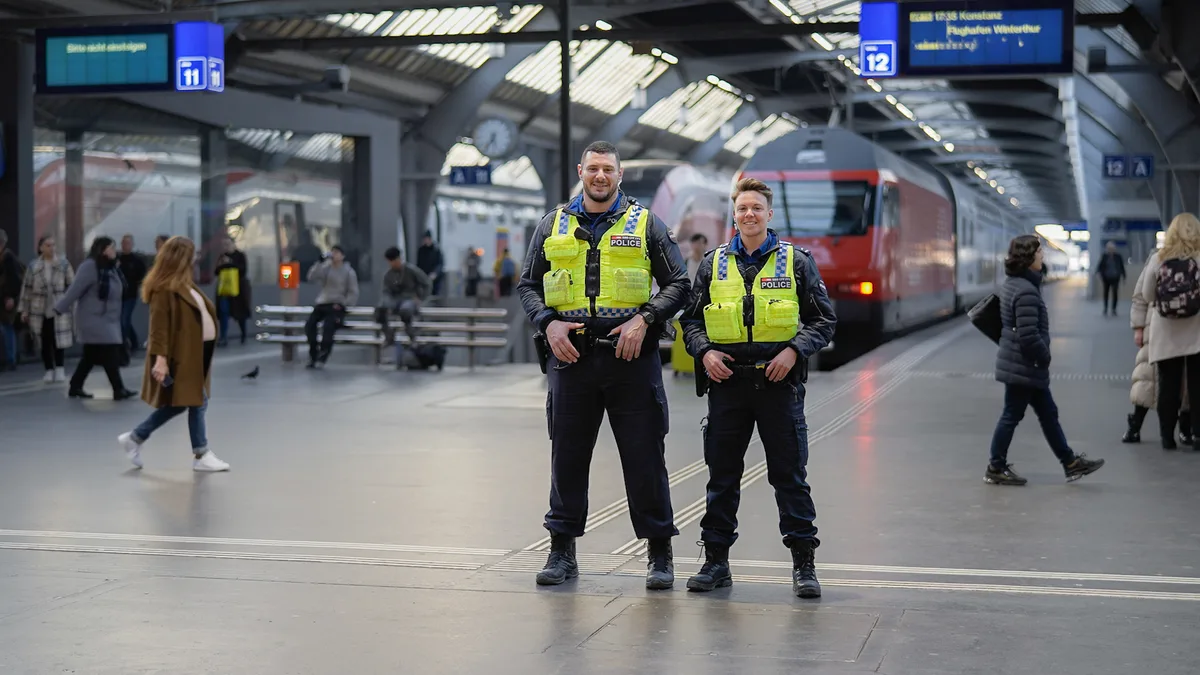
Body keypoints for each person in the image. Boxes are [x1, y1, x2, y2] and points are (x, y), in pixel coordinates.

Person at [519, 140, 691, 589]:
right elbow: (527, 285)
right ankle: (561, 552)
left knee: (644, 456)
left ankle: (659, 553)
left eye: (607, 170)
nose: (600, 176)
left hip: (630, 360)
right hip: (570, 358)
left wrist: (646, 318)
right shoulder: (552, 225)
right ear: (581, 170)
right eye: (593, 169)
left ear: (620, 175)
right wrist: (547, 324)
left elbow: (679, 284)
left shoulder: (647, 224)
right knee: (567, 458)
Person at [679, 178, 837, 598]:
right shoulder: (714, 264)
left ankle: (804, 565)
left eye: (757, 208)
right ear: (734, 214)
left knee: (789, 477)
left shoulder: (796, 263)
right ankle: (716, 563)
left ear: (770, 215)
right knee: (721, 477)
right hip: (727, 385)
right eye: (742, 208)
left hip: (778, 386)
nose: (749, 214)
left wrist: (794, 352)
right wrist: (705, 353)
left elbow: (824, 321)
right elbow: (690, 321)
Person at [988, 235, 1105, 485]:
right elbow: (1029, 335)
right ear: (1029, 258)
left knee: (1048, 413)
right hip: (1025, 365)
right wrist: (1045, 356)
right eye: (1040, 253)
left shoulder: (1013, 283)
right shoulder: (1026, 291)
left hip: (1021, 365)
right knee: (1012, 415)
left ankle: (1070, 463)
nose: (1043, 257)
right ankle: (995, 467)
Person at [118, 236, 229, 472]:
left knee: (181, 404)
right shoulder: (164, 289)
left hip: (195, 355)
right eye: (192, 255)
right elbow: (158, 328)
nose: (195, 259)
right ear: (181, 257)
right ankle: (201, 453)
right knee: (198, 400)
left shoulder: (184, 284)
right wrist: (161, 360)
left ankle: (134, 438)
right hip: (181, 357)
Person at [1130, 212, 1200, 449]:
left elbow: (1148, 294)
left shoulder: (1159, 258)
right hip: (1196, 330)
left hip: (1166, 331)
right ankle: (1197, 436)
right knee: (1196, 385)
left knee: (1168, 385)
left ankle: (1167, 437)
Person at [55, 237, 137, 400]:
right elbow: (75, 289)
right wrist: (60, 308)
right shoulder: (90, 266)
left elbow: (123, 287)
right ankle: (118, 389)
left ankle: (75, 386)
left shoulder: (110, 267)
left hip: (108, 318)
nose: (115, 251)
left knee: (91, 356)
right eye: (111, 248)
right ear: (102, 249)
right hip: (94, 319)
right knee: (110, 353)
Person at [18, 236, 74, 382]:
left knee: (58, 339)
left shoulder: (63, 264)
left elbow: (72, 285)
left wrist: (69, 303)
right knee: (44, 339)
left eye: (53, 245)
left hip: (58, 305)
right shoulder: (34, 266)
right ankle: (49, 369)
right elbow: (27, 288)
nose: (51, 248)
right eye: (48, 245)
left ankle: (60, 368)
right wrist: (24, 309)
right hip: (39, 307)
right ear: (41, 248)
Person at [374, 246, 430, 367]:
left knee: (406, 310)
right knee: (379, 310)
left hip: (409, 299)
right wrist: (386, 303)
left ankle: (412, 337)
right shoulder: (388, 275)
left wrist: (420, 299)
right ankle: (389, 336)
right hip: (395, 300)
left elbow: (426, 283)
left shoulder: (411, 271)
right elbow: (385, 291)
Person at [304, 245, 359, 368]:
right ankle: (313, 353)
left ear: (342, 256)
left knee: (329, 327)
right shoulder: (326, 268)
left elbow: (353, 292)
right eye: (333, 252)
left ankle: (323, 355)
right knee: (310, 325)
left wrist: (344, 304)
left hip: (337, 304)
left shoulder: (349, 272)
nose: (334, 255)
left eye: (337, 253)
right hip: (323, 302)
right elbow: (311, 277)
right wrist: (319, 263)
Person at [214, 237, 251, 346]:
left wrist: (229, 263)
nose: (226, 246)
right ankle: (223, 336)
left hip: (238, 289)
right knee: (223, 312)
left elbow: (243, 270)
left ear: (233, 244)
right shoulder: (222, 257)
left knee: (240, 314)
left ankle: (243, 334)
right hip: (224, 289)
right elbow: (216, 271)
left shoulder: (240, 256)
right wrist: (223, 264)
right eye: (224, 244)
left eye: (227, 244)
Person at [116, 234, 148, 364]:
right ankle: (134, 341)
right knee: (123, 320)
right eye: (124, 243)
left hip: (130, 295)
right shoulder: (117, 259)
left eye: (128, 243)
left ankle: (123, 348)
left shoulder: (136, 260)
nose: (125, 245)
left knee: (124, 320)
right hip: (118, 296)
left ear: (132, 244)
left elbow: (142, 275)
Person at [0, 230, 23, 371]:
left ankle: (11, 359)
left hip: (6, 299)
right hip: (3, 298)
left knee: (6, 327)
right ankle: (9, 358)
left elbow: (14, 280)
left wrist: (11, 297)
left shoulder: (8, 258)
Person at [1096, 241, 1126, 316]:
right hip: (1106, 278)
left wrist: (1124, 276)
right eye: (1109, 248)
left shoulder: (1118, 257)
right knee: (1106, 293)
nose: (1110, 250)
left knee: (1115, 293)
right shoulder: (1104, 256)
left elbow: (1121, 267)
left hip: (1116, 277)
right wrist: (1099, 273)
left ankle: (1114, 309)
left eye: (1112, 248)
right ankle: (1105, 308)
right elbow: (1100, 265)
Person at [417, 231, 444, 297]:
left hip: (435, 278)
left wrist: (435, 273)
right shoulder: (421, 250)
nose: (426, 241)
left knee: (435, 294)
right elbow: (419, 264)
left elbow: (440, 264)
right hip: (424, 276)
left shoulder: (436, 250)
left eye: (427, 239)